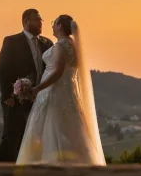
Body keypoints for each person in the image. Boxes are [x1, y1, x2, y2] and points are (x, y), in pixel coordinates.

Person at [16, 14, 106, 166]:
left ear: (59, 26)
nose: (51, 25)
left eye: (54, 23)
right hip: (69, 94)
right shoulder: (73, 46)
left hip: (54, 93)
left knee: (51, 129)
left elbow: (57, 71)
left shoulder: (60, 46)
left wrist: (37, 88)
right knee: (72, 130)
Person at [0, 9, 53, 163]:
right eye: (37, 20)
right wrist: (8, 95)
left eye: (41, 19)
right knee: (11, 136)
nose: (41, 23)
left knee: (31, 138)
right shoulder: (12, 41)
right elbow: (3, 68)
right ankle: (0, 171)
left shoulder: (47, 43)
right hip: (15, 98)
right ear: (26, 21)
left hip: (39, 99)